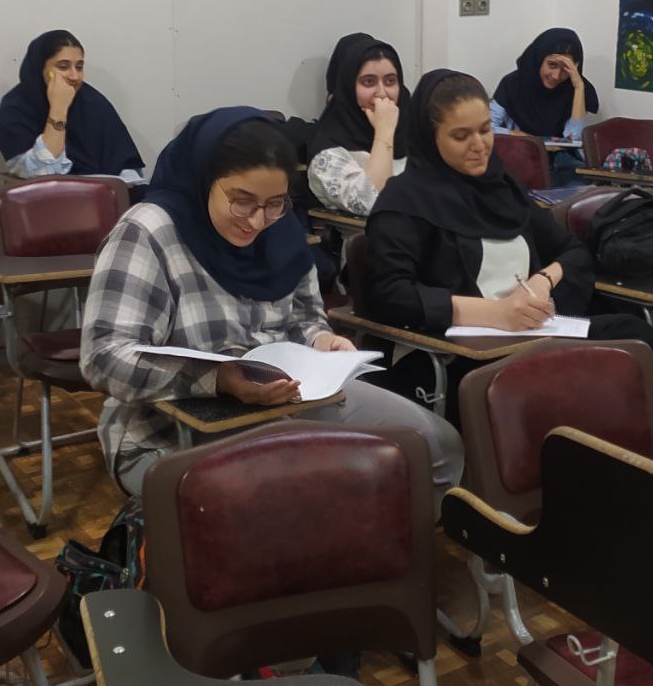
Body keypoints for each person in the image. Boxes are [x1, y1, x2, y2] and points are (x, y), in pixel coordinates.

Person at [80, 106, 463, 500]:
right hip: (171, 428)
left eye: (275, 203)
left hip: (288, 401)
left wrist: (321, 341)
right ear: (205, 180)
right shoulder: (150, 232)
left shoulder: (282, 230)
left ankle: (400, 537)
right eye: (242, 201)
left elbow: (304, 317)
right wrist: (218, 380)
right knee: (307, 492)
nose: (257, 221)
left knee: (434, 443)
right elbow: (103, 357)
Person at [366, 70, 653, 418]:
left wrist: (542, 281)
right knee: (571, 388)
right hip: (460, 351)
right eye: (461, 136)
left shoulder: (502, 190)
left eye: (485, 130)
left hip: (528, 334)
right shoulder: (405, 202)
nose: (479, 145)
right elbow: (389, 294)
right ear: (430, 136)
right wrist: (495, 314)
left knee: (637, 339)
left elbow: (573, 251)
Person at [0, 30, 144, 182]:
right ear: (40, 69)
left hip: (103, 193)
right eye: (63, 66)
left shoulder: (93, 103)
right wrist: (59, 109)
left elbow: (129, 170)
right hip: (47, 195)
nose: (74, 76)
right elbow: (43, 174)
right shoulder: (15, 108)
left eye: (79, 67)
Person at [307, 33, 410, 216]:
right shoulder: (328, 153)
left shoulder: (412, 133)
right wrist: (384, 132)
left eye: (390, 81)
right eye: (368, 82)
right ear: (348, 87)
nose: (382, 93)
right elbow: (373, 202)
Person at [491, 27, 599, 142]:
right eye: (552, 65)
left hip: (561, 152)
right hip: (520, 147)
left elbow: (574, 139)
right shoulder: (513, 84)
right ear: (538, 59)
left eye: (566, 68)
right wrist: (520, 136)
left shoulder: (573, 87)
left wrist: (579, 87)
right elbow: (486, 128)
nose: (556, 76)